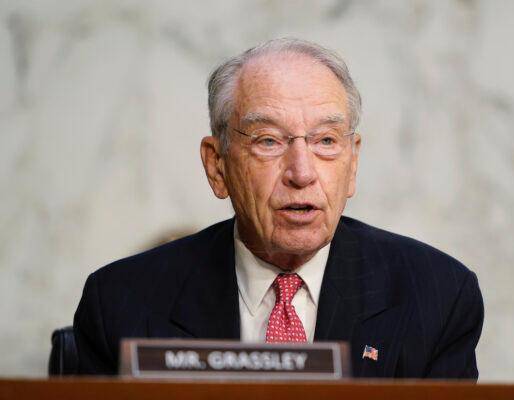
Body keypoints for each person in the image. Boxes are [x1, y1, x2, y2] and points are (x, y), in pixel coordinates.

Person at [74, 38, 484, 378]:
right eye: (269, 141)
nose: (302, 173)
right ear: (218, 166)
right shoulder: (120, 303)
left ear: (352, 162)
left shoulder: (437, 297)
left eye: (326, 141)